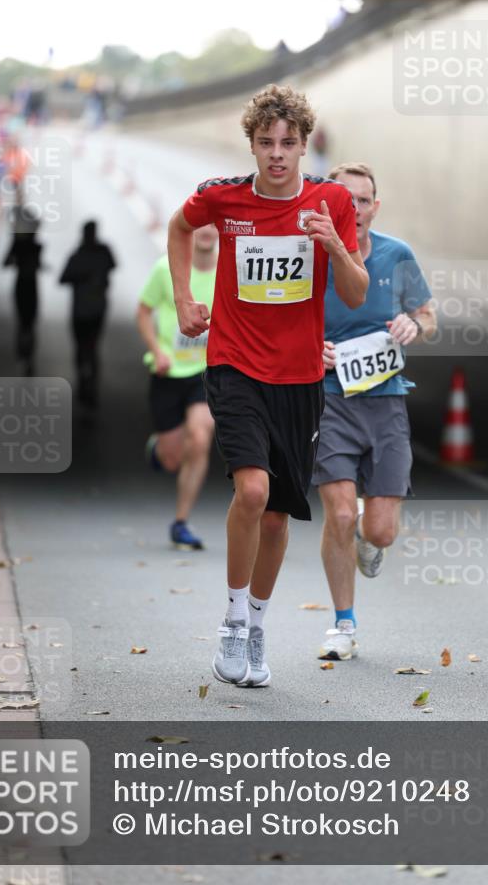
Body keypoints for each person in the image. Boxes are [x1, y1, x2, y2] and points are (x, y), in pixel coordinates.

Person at [167, 85, 368, 688]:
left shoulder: (331, 201)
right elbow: (180, 229)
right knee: (251, 491)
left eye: (288, 143)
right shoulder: (222, 199)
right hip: (234, 364)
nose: (277, 154)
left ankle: (256, 622)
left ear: (305, 145)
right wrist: (184, 299)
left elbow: (355, 291)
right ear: (251, 145)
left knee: (278, 518)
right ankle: (231, 621)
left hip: (301, 375)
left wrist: (333, 243)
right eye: (266, 143)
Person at [313, 163, 436, 662]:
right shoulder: (310, 257)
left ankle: (368, 533)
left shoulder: (395, 254)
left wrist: (413, 323)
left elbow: (428, 315)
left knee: (379, 530)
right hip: (328, 398)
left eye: (363, 201)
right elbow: (276, 317)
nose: (356, 210)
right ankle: (343, 624)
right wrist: (308, 349)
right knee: (340, 512)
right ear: (330, 205)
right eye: (346, 200)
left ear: (374, 207)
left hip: (385, 401)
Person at [137, 225, 219, 551]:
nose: (208, 231)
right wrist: (157, 351)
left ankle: (181, 521)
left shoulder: (230, 271)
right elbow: (143, 312)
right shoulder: (165, 269)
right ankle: (160, 447)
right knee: (172, 459)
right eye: (201, 225)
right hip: (169, 371)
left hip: (207, 371)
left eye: (215, 225)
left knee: (200, 436)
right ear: (189, 230)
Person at [59, 220, 116, 408]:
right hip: (95, 309)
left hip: (82, 310)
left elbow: (63, 278)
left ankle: (85, 380)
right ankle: (89, 381)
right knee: (91, 346)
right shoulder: (101, 252)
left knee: (83, 346)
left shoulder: (78, 255)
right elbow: (112, 265)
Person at [2, 211, 43, 376]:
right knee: (29, 323)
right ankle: (27, 355)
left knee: (24, 323)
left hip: (23, 286)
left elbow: (5, 263)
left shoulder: (20, 244)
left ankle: (23, 354)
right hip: (29, 287)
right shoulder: (34, 246)